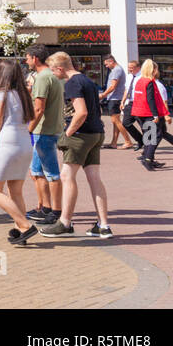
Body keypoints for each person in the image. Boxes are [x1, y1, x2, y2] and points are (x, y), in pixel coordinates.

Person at [38, 51, 112, 238]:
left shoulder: (72, 83)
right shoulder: (86, 80)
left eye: (54, 71)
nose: (54, 75)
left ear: (60, 68)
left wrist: (68, 133)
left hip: (80, 134)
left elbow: (81, 112)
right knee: (94, 177)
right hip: (96, 132)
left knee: (67, 175)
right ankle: (103, 225)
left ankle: (64, 222)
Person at [0, 60, 38, 245]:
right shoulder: (23, 94)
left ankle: (24, 225)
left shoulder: (2, 93)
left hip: (8, 142)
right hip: (25, 142)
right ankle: (19, 229)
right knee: (15, 191)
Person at [25, 44, 64, 225]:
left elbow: (39, 108)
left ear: (35, 58)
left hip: (44, 131)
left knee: (51, 173)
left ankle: (56, 210)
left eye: (27, 58)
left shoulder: (42, 78)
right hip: (48, 129)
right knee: (36, 171)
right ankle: (46, 207)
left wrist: (29, 129)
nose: (26, 61)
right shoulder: (52, 77)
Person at [131, 59, 173, 171]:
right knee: (156, 135)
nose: (157, 71)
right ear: (152, 70)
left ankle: (148, 157)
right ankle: (148, 159)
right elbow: (151, 100)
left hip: (139, 112)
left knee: (150, 135)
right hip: (148, 112)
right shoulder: (150, 82)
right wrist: (156, 115)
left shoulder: (140, 81)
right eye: (156, 68)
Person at [100, 56, 138, 149]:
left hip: (115, 98)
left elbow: (113, 86)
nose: (106, 66)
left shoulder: (116, 70)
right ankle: (114, 142)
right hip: (115, 98)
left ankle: (128, 141)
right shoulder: (117, 69)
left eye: (106, 64)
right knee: (115, 122)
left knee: (115, 120)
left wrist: (103, 95)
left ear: (111, 61)